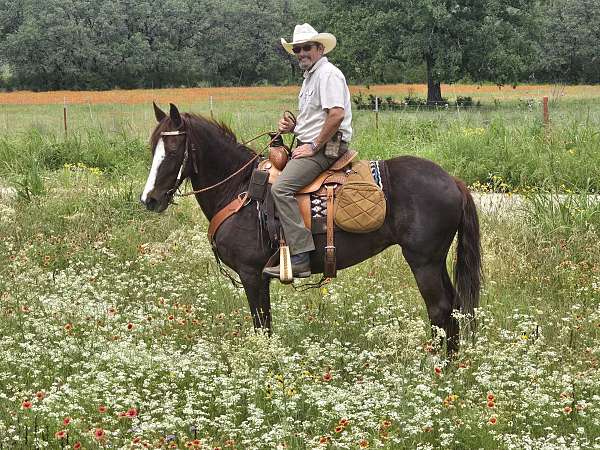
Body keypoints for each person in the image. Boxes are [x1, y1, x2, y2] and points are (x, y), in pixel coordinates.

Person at [263, 23, 353, 279]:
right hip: (316, 142)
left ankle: (300, 256)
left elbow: (336, 115)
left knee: (281, 188)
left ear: (320, 49)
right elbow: (317, 118)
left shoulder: (328, 74)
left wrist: (313, 145)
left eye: (307, 48)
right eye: (298, 49)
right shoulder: (311, 76)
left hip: (329, 146)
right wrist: (295, 128)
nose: (302, 53)